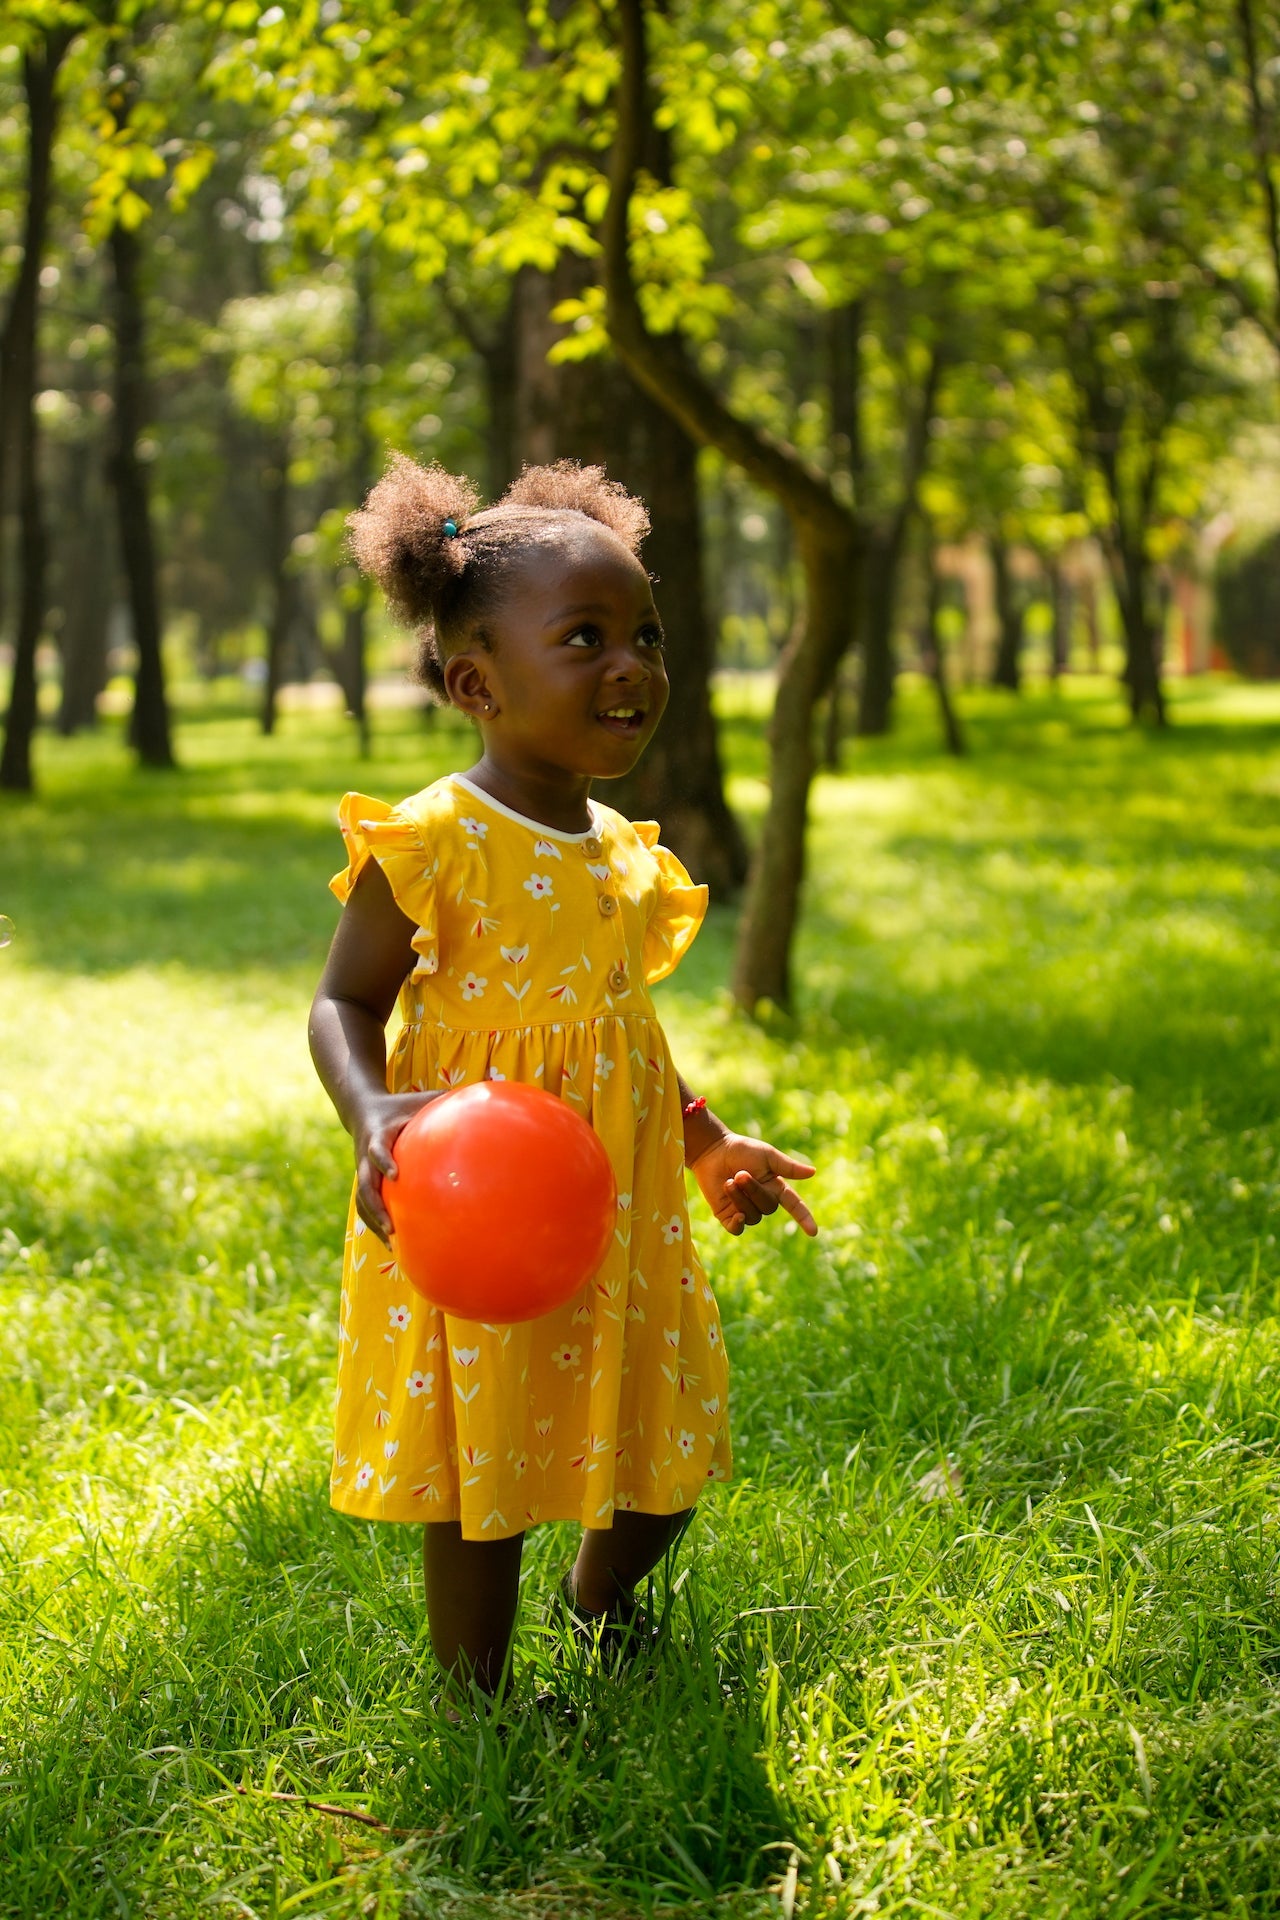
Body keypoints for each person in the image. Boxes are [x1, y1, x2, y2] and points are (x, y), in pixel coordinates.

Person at [308, 455, 818, 1701]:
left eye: (644, 634)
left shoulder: (615, 851)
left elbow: (618, 1029)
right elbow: (342, 1002)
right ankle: (477, 1710)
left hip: (620, 1207)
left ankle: (599, 1602)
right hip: (475, 1200)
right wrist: (373, 1110)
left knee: (668, 1443)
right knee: (484, 1478)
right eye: (584, 638)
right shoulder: (431, 842)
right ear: (477, 682)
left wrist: (702, 1139)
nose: (631, 664)